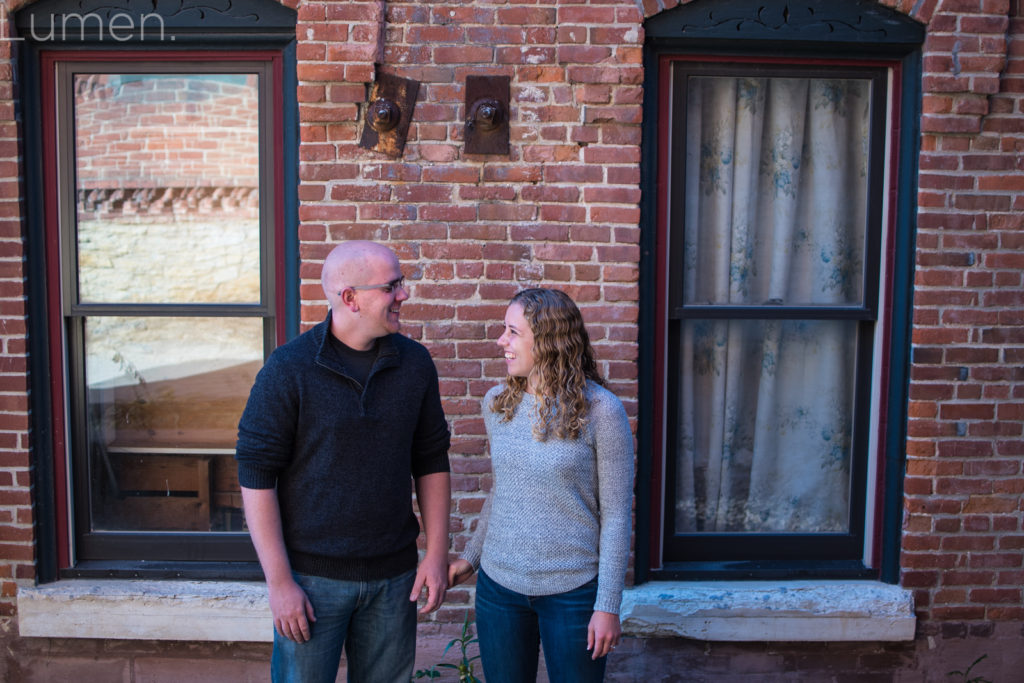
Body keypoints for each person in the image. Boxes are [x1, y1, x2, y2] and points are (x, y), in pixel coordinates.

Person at [235, 240, 451, 683]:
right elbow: (256, 475)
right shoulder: (289, 369)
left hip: (394, 580)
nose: (404, 295)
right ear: (349, 298)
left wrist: (435, 554)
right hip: (312, 584)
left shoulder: (414, 365)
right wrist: (280, 585)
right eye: (392, 286)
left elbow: (431, 460)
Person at [448, 287, 635, 683]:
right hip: (499, 590)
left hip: (573, 593)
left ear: (548, 341)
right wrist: (471, 557)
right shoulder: (498, 402)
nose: (501, 341)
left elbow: (617, 515)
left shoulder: (602, 411)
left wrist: (608, 605)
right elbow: (504, 489)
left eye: (512, 332)